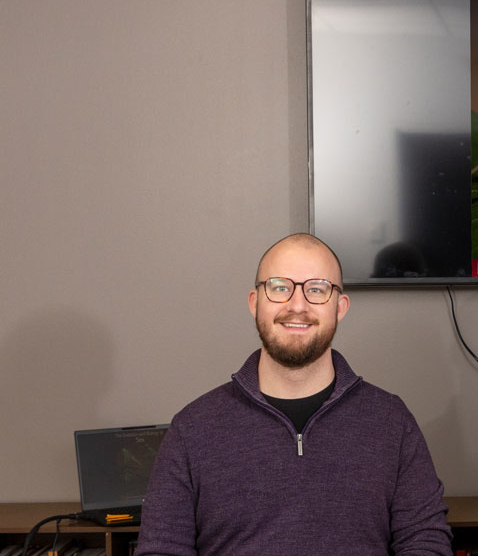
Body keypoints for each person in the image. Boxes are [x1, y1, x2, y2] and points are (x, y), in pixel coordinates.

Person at [136, 233, 452, 555]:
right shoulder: (193, 428)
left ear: (339, 307)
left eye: (316, 289)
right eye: (279, 287)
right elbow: (161, 549)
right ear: (254, 302)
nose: (297, 305)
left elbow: (425, 542)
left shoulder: (391, 421)